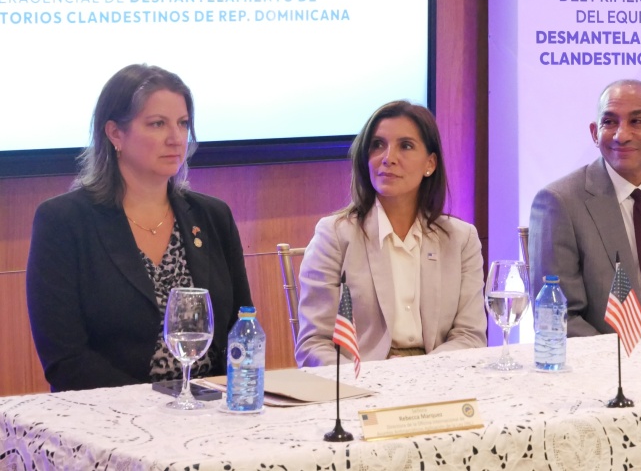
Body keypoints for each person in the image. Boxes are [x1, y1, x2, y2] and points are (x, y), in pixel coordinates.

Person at [26, 64, 253, 392]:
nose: (176, 138)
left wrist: (239, 398)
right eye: (157, 124)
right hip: (110, 412)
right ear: (115, 133)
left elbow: (242, 329)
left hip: (210, 406)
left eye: (183, 123)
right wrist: (157, 405)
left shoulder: (213, 217)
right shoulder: (63, 222)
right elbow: (65, 360)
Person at [295, 101, 486, 366]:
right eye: (378, 145)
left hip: (438, 376)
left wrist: (419, 372)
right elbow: (314, 344)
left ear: (430, 163)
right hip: (360, 378)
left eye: (405, 146)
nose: (388, 158)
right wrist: (365, 380)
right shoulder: (335, 235)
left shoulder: (461, 239)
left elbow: (470, 336)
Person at [528, 80, 641, 337]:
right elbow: (558, 316)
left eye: (636, 121)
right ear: (594, 133)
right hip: (604, 359)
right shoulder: (560, 202)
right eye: (609, 122)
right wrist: (626, 359)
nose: (621, 135)